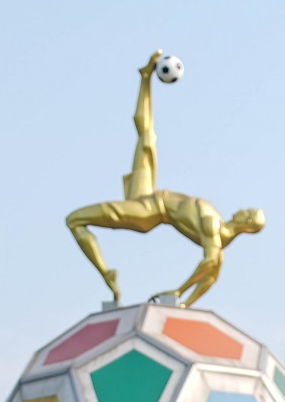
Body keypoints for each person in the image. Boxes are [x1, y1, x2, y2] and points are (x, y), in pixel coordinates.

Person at [66, 51, 265, 306]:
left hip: (149, 210)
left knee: (75, 220)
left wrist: (179, 294)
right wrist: (184, 299)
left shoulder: (212, 227)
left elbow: (210, 265)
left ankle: (107, 274)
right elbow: (211, 271)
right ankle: (144, 77)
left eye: (246, 211)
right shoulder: (215, 232)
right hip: (149, 194)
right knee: (147, 136)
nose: (240, 208)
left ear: (246, 221)